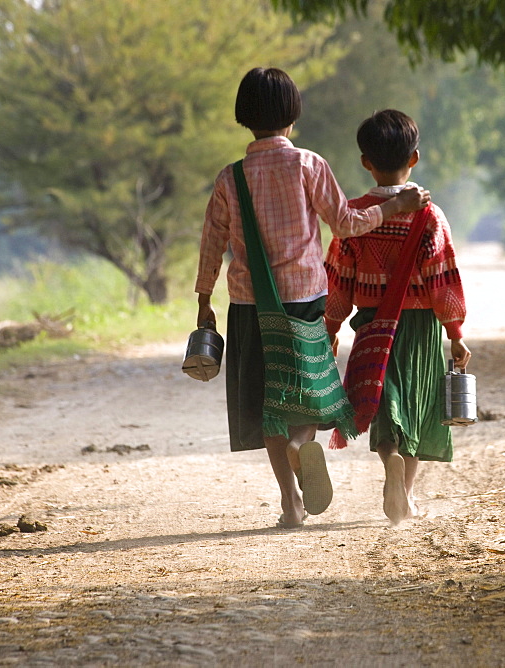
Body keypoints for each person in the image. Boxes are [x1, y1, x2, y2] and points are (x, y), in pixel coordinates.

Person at [194, 69, 430, 529]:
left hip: (249, 303)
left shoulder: (230, 178)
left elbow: (211, 243)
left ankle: (290, 502)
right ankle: (303, 443)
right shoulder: (308, 165)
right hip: (305, 298)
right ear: (293, 113)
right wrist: (392, 208)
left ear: (244, 116)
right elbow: (344, 223)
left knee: (267, 399)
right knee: (302, 395)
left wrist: (204, 297)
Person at [324, 109, 470, 525]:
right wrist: (455, 332)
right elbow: (443, 278)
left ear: (366, 162)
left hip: (373, 325)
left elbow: (338, 279)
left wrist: (331, 328)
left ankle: (388, 458)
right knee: (417, 407)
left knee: (386, 406)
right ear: (415, 158)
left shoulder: (354, 217)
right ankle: (404, 493)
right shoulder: (429, 216)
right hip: (421, 327)